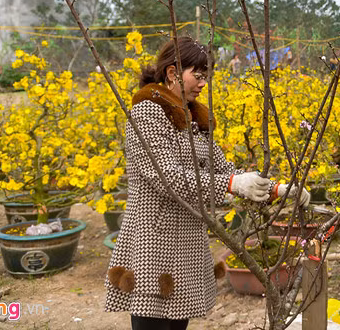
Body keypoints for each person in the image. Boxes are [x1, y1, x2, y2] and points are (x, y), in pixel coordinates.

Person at [105, 36, 308, 330]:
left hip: (187, 237)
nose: (203, 84)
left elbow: (226, 170)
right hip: (155, 238)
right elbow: (168, 177)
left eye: (206, 77)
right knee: (153, 322)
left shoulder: (194, 119)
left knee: (177, 324)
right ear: (173, 73)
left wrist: (276, 189)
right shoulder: (147, 113)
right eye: (197, 76)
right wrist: (232, 184)